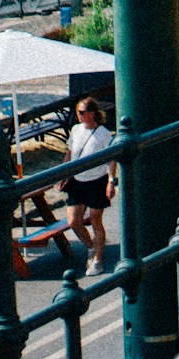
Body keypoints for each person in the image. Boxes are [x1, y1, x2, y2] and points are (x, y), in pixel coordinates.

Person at [62, 96, 117, 274]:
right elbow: (69, 152)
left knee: (95, 219)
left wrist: (111, 181)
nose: (78, 116)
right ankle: (91, 246)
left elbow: (111, 159)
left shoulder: (104, 134)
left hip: (97, 180)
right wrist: (63, 173)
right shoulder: (76, 130)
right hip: (77, 181)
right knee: (73, 221)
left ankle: (98, 260)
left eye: (82, 112)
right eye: (78, 112)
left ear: (91, 114)